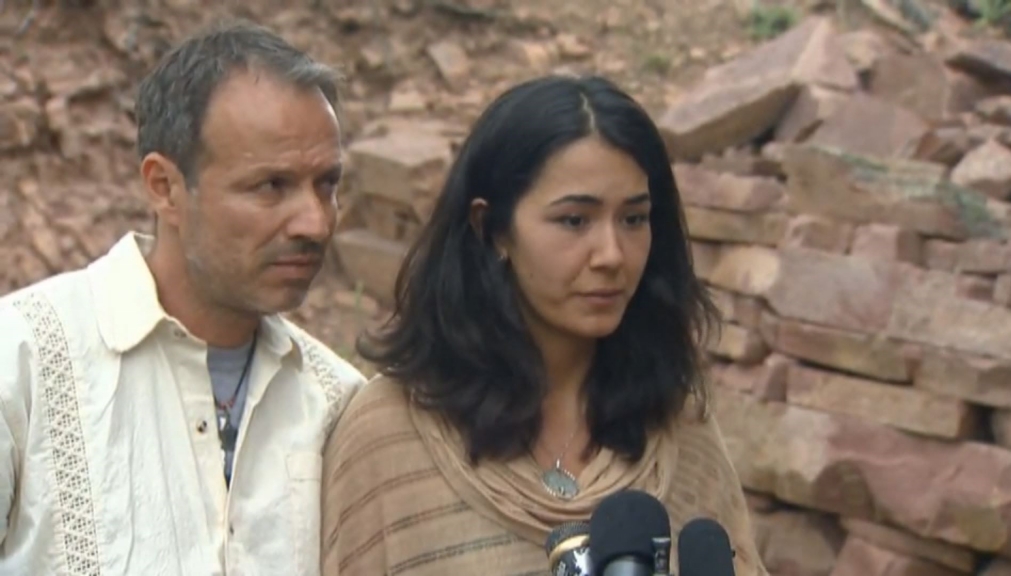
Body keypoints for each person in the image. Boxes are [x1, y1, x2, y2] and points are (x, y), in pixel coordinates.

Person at [319, 74, 768, 575]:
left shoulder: (678, 423)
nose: (611, 255)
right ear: (490, 230)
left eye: (634, 220)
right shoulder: (387, 435)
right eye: (575, 221)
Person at [0, 21, 366, 576]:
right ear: (165, 187)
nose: (315, 222)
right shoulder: (23, 360)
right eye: (271, 186)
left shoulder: (338, 405)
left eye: (328, 184)